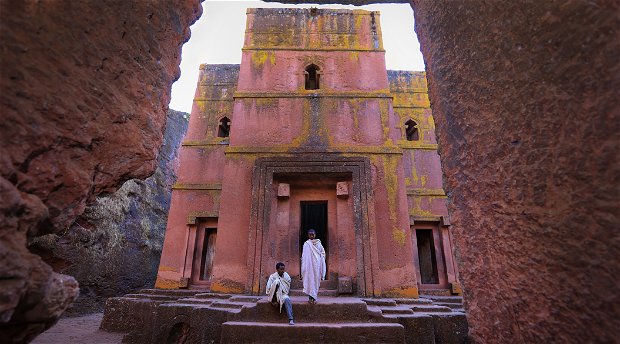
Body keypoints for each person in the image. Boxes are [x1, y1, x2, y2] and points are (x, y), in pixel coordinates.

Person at [301, 229, 326, 304]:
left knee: (315, 281)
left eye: (313, 234)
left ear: (315, 235)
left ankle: (314, 297)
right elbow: (304, 256)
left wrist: (319, 258)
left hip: (316, 266)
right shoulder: (306, 244)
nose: (311, 236)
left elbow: (323, 253)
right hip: (309, 266)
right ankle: (310, 298)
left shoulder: (319, 243)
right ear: (308, 235)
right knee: (309, 281)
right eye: (310, 234)